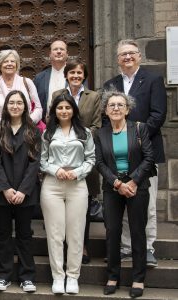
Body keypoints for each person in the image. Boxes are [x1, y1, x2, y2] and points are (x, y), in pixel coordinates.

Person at [103, 39, 166, 268]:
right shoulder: (111, 84)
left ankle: (147, 246)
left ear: (139, 56)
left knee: (145, 203)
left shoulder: (153, 80)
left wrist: (136, 138)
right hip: (117, 154)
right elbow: (105, 117)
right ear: (117, 59)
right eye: (123, 54)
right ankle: (127, 247)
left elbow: (158, 116)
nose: (127, 57)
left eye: (131, 53)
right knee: (122, 199)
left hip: (146, 152)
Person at [95, 90, 154, 298]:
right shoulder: (101, 133)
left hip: (137, 186)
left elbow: (149, 157)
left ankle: (138, 279)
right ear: (106, 110)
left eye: (120, 105)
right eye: (112, 105)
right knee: (112, 231)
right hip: (113, 188)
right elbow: (99, 162)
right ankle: (113, 276)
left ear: (127, 109)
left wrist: (134, 181)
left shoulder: (140, 128)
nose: (116, 108)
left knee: (137, 232)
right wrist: (117, 183)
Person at [40, 93, 95, 295]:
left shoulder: (84, 133)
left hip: (77, 185)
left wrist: (77, 172)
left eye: (67, 108)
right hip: (52, 186)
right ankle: (58, 277)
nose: (64, 111)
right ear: (54, 111)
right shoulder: (47, 133)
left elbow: (91, 159)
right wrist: (56, 170)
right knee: (55, 234)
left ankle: (72, 277)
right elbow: (42, 160)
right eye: (60, 108)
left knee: (75, 233)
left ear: (74, 110)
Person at [0, 90, 41, 293]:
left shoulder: (33, 131)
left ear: (25, 106)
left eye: (19, 103)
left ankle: (26, 277)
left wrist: (22, 190)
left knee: (24, 235)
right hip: (2, 194)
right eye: (12, 102)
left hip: (25, 194)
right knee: (2, 235)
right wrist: (6, 189)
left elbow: (35, 162)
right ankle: (3, 276)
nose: (15, 106)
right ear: (6, 106)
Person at [52, 59, 101, 264]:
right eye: (71, 73)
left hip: (84, 158)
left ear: (84, 75)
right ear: (66, 75)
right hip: (60, 160)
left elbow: (98, 123)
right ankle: (63, 246)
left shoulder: (94, 96)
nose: (75, 76)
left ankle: (82, 247)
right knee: (61, 208)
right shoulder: (57, 96)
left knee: (83, 208)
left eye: (79, 73)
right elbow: (51, 121)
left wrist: (77, 139)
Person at [0, 49, 43, 126]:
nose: (9, 64)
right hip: (2, 132)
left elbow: (38, 108)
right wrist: (8, 125)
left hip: (26, 131)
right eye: (5, 61)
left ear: (17, 65)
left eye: (12, 61)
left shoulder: (27, 83)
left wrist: (26, 123)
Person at [33, 40, 68, 120]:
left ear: (67, 55)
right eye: (55, 49)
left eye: (62, 49)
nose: (59, 51)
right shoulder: (39, 78)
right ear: (50, 55)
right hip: (46, 125)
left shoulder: (75, 76)